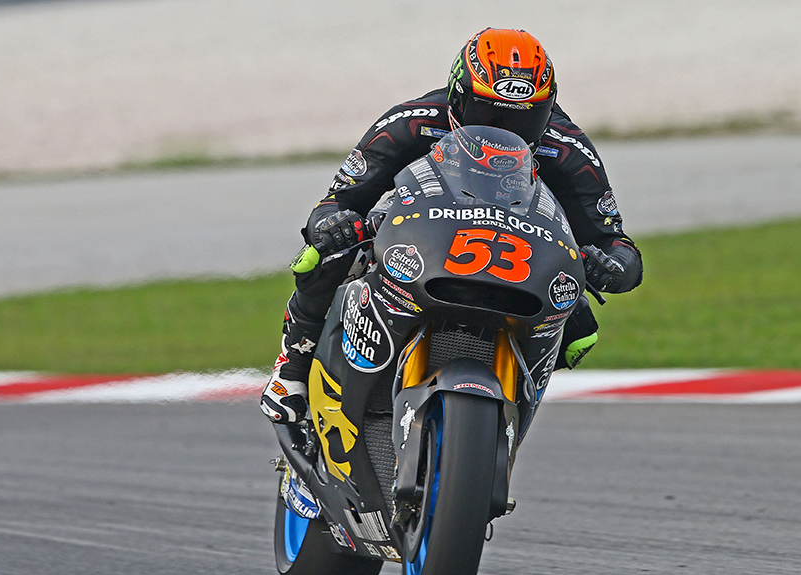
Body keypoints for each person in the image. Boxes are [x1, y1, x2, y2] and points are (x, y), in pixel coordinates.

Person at [261, 27, 643, 424]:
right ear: (458, 98)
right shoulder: (411, 123)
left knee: (580, 329)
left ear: (548, 109)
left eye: (526, 119)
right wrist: (336, 224)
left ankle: (507, 415)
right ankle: (292, 366)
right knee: (323, 254)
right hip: (422, 240)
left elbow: (616, 243)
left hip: (519, 256)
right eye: (490, 115)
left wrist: (612, 266)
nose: (504, 132)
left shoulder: (567, 149)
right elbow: (336, 202)